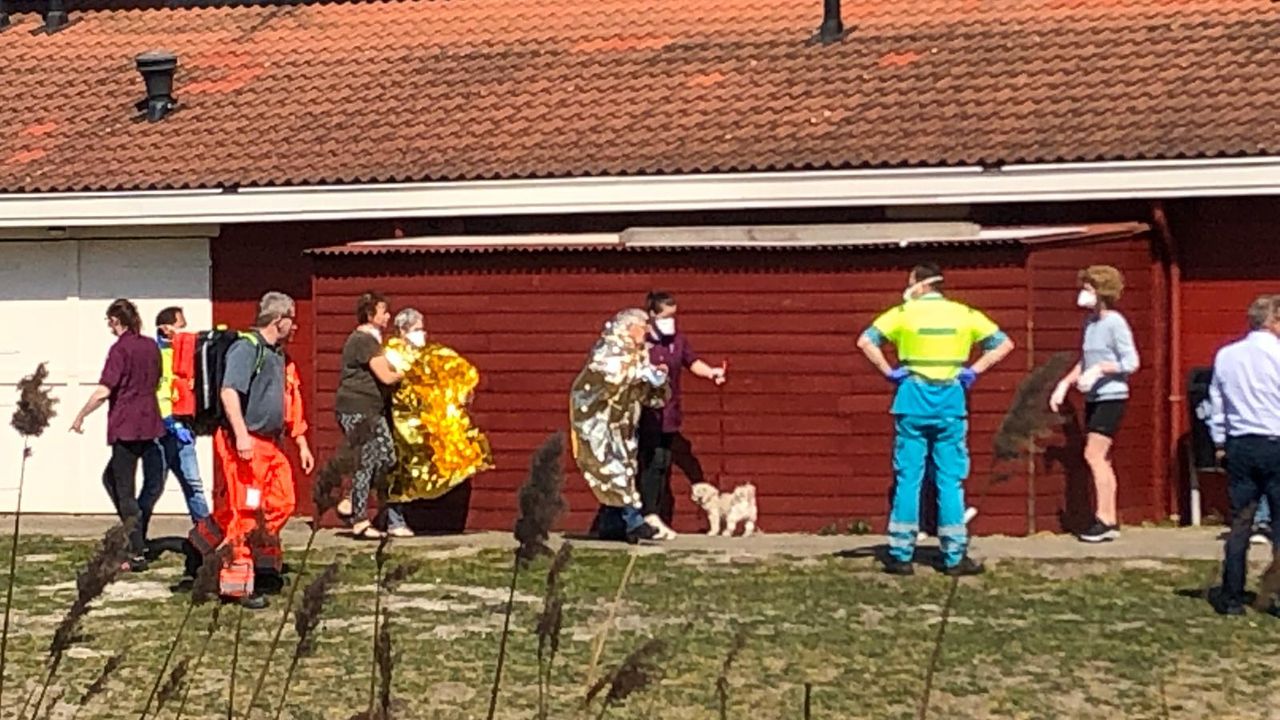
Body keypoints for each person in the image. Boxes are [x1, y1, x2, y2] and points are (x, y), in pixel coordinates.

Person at [856, 262, 1014, 576]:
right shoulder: (964, 314)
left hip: (912, 400)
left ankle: (901, 554)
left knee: (908, 479)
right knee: (950, 480)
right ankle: (954, 555)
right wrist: (972, 371)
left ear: (921, 285)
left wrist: (889, 372)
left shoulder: (903, 314)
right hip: (951, 403)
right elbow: (1004, 344)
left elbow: (866, 341)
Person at [188, 291, 314, 609]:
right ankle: (236, 585)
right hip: (245, 443)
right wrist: (242, 436)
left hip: (271, 445)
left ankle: (209, 546)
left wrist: (300, 442)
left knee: (281, 503)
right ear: (278, 320)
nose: (295, 326)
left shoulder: (279, 355)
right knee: (245, 512)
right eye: (292, 319)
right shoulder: (247, 349)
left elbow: (290, 401)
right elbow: (229, 392)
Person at [71, 298, 166, 572]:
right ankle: (133, 531)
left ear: (116, 321)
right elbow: (157, 379)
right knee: (111, 478)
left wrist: (80, 415)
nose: (110, 327)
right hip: (149, 422)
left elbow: (104, 390)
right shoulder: (150, 346)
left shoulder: (119, 350)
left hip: (126, 425)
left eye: (110, 322)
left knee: (124, 489)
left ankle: (135, 551)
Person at [382, 308, 494, 535]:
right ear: (403, 331)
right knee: (402, 469)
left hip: (430, 423)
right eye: (416, 329)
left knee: (444, 460)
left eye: (422, 329)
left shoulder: (431, 354)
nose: (422, 334)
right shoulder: (392, 354)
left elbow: (453, 370)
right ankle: (396, 520)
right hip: (404, 423)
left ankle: (433, 516)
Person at [1049, 266, 1140, 543]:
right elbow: (1085, 360)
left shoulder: (1115, 323)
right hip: (1093, 397)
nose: (1083, 295)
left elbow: (1131, 362)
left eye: (1088, 289)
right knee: (1100, 458)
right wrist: (1064, 384)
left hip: (1112, 396)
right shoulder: (1090, 323)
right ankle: (1108, 518)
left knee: (1093, 455)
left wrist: (1102, 369)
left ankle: (1104, 519)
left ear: (1101, 292)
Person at [1207, 295, 1280, 616]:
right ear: (1274, 321)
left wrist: (1220, 442)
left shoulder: (1226, 356)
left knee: (1241, 522)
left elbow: (1217, 405)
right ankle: (1275, 594)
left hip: (1240, 443)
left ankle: (1233, 595)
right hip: (1275, 441)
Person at [571, 309, 669, 544]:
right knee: (613, 468)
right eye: (643, 325)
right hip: (598, 423)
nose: (647, 330)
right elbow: (612, 377)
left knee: (621, 470)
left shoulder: (638, 353)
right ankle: (635, 522)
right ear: (628, 327)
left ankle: (612, 525)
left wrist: (656, 382)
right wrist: (644, 373)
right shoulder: (608, 349)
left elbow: (642, 392)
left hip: (622, 426)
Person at [638, 291, 726, 540]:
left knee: (664, 463)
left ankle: (656, 516)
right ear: (652, 315)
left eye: (674, 316)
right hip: (646, 415)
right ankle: (648, 515)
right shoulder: (641, 341)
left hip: (669, 414)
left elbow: (692, 361)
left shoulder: (678, 340)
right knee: (651, 465)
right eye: (666, 316)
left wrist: (711, 373)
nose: (671, 321)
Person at [334, 291, 402, 538]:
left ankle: (352, 498)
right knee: (366, 459)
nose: (388, 316)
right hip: (357, 408)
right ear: (371, 315)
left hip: (373, 409)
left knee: (388, 457)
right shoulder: (364, 340)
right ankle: (360, 521)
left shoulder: (374, 340)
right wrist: (407, 372)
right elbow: (385, 375)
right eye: (383, 311)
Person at [154, 306, 211, 522]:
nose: (185, 332)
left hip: (184, 425)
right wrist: (169, 422)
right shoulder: (157, 355)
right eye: (180, 327)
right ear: (165, 328)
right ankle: (134, 536)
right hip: (164, 428)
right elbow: (159, 392)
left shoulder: (187, 353)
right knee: (154, 487)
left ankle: (206, 534)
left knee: (193, 482)